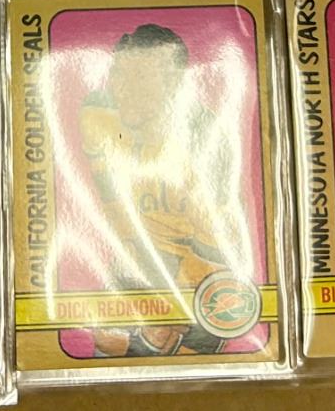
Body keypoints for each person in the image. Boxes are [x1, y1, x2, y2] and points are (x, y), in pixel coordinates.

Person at [76, 23, 240, 358]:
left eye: (141, 78)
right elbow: (110, 197)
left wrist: (167, 305)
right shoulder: (97, 116)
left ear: (174, 84)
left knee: (169, 351)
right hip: (136, 261)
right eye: (119, 73)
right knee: (108, 342)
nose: (124, 88)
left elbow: (216, 254)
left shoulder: (205, 143)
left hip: (200, 275)